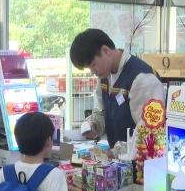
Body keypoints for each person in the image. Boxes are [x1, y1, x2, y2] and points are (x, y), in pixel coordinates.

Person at [70, 28, 165, 158]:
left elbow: (147, 132)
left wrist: (114, 153)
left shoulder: (142, 80)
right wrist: (95, 125)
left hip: (142, 166)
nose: (93, 72)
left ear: (105, 50)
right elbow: (104, 111)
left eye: (93, 65)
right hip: (119, 164)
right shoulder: (105, 76)